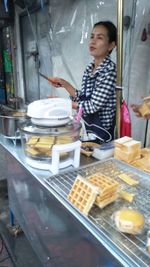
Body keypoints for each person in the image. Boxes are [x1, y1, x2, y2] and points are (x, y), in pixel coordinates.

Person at [49, 21, 117, 143]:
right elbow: (83, 97)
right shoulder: (89, 68)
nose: (93, 41)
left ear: (111, 45)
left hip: (102, 132)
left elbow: (93, 106)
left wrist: (62, 104)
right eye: (92, 36)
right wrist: (64, 83)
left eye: (99, 37)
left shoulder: (109, 71)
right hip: (88, 128)